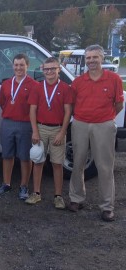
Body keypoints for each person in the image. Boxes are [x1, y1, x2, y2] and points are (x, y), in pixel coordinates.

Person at [68, 45, 124, 222]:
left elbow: (118, 104)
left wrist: (108, 119)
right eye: (89, 58)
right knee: (78, 163)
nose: (91, 61)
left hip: (103, 126)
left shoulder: (113, 79)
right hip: (80, 125)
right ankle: (76, 199)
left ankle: (107, 207)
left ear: (102, 58)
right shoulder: (78, 82)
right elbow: (72, 104)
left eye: (95, 57)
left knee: (105, 166)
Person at [26, 57, 72, 209]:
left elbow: (68, 112)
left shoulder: (65, 88)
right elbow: (32, 110)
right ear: (43, 70)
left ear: (59, 69)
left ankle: (58, 196)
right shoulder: (38, 87)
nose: (50, 72)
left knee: (57, 164)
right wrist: (35, 131)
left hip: (58, 129)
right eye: (46, 69)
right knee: (38, 162)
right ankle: (36, 193)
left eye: (53, 68)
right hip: (40, 128)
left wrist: (62, 132)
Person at [0, 53, 39, 199]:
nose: (18, 68)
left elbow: (35, 107)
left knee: (25, 157)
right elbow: (1, 102)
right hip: (7, 123)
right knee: (7, 155)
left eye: (21, 65)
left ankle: (23, 186)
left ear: (27, 66)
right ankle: (6, 183)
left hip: (25, 125)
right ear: (13, 66)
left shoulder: (34, 85)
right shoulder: (6, 84)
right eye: (16, 65)